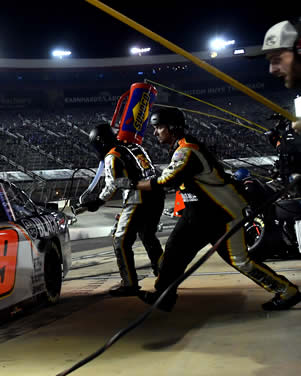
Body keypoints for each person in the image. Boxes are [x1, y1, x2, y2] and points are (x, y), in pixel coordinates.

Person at [135, 108, 301, 311]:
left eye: (159, 127)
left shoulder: (187, 150)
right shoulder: (180, 147)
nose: (155, 132)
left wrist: (133, 183)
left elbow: (165, 180)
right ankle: (164, 296)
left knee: (240, 261)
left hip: (222, 215)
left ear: (172, 128)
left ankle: (288, 291)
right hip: (198, 215)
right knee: (173, 253)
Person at [80, 124, 165, 296]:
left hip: (138, 199)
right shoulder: (135, 146)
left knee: (120, 240)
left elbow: (113, 184)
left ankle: (129, 284)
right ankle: (165, 276)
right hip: (157, 196)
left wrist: (98, 201)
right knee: (148, 236)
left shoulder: (113, 155)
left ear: (101, 142)